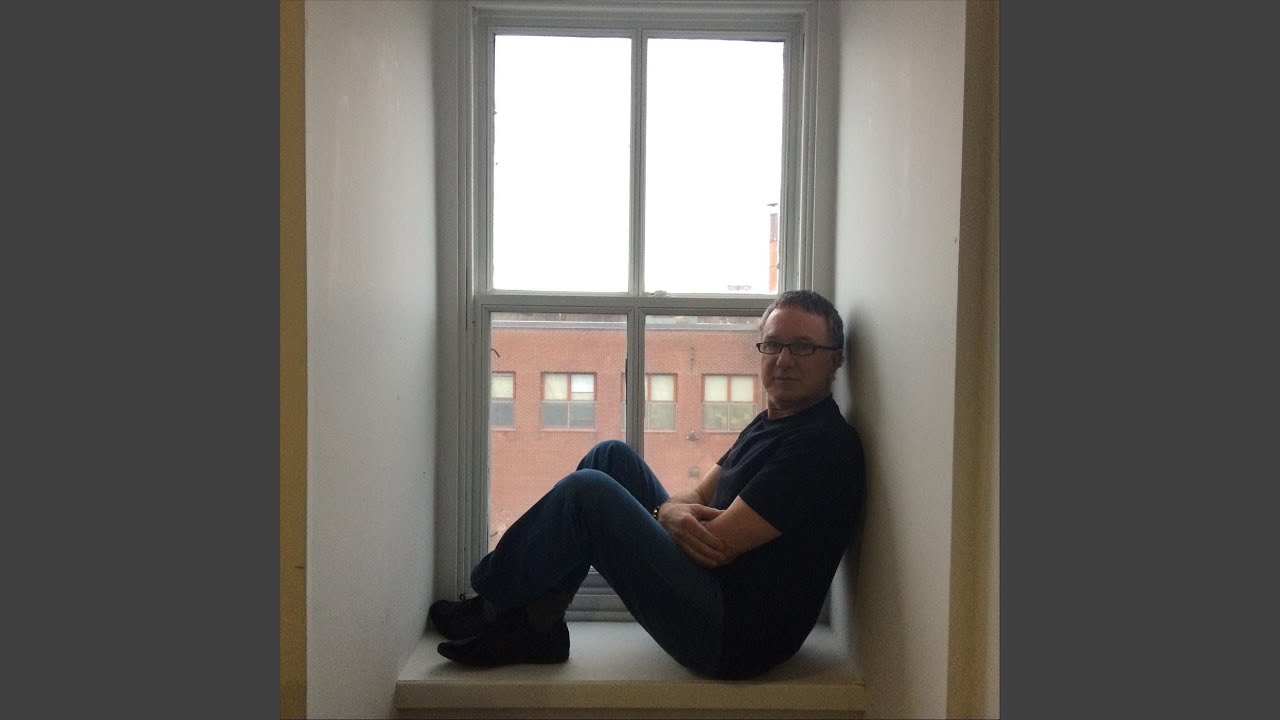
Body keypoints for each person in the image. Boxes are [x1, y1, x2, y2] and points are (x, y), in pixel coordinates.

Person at [430, 289, 865, 680]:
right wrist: (671, 511)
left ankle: (492, 607)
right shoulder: (769, 423)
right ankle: (537, 626)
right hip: (709, 590)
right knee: (610, 457)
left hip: (730, 634)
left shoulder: (822, 445)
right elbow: (697, 496)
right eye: (772, 344)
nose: (784, 360)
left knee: (587, 492)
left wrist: (668, 514)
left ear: (835, 358)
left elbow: (716, 544)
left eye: (803, 346)